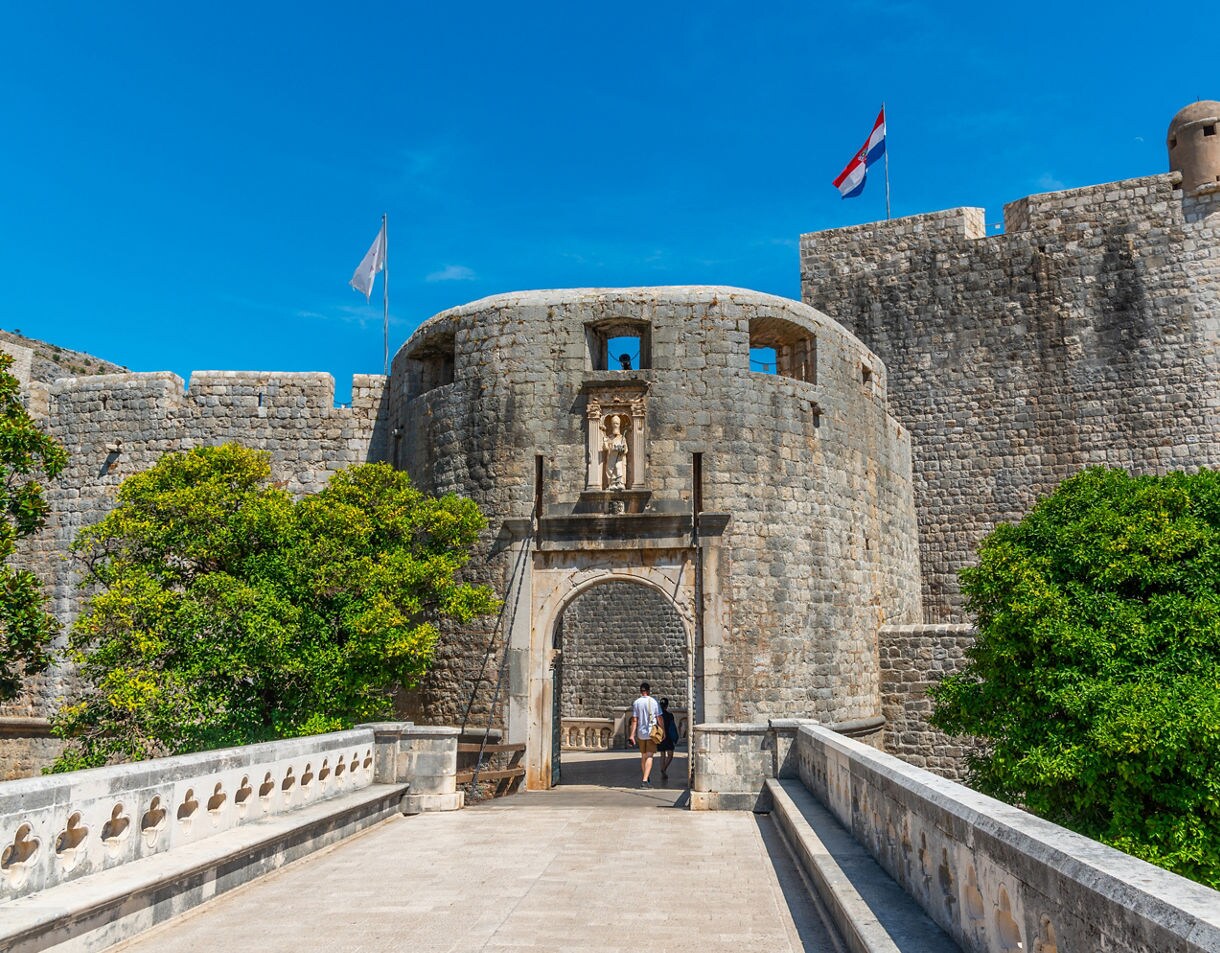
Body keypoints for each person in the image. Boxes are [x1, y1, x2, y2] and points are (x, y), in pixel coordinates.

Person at [627, 681, 661, 786]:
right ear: (649, 691)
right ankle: (645, 780)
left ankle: (645, 776)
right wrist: (662, 730)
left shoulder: (636, 703)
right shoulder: (654, 702)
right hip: (651, 732)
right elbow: (659, 717)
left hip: (641, 733)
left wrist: (632, 735)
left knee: (643, 756)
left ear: (641, 691)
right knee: (650, 756)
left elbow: (634, 720)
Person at [657, 698, 680, 781]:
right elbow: (672, 727)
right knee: (670, 755)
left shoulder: (657, 715)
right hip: (668, 737)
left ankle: (663, 770)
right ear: (667, 706)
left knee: (662, 755)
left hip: (660, 736)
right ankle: (664, 769)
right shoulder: (670, 715)